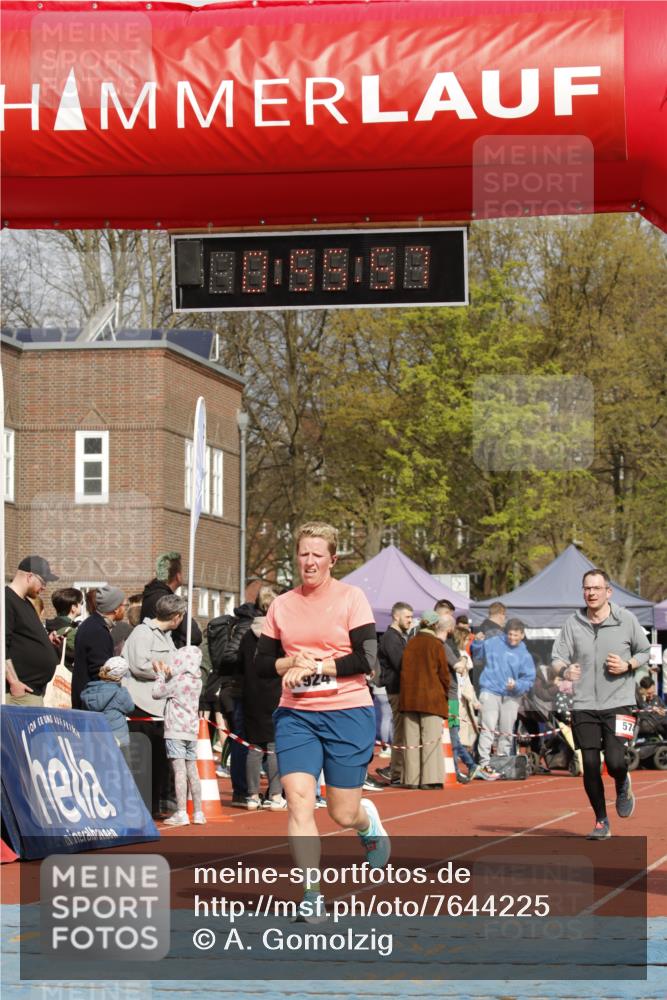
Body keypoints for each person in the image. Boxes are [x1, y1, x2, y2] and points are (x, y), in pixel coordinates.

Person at [255, 521, 389, 923]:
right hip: (297, 715)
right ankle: (311, 894)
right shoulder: (281, 604)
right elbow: (263, 664)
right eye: (303, 554)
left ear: (332, 558)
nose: (309, 562)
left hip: (347, 711)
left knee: (341, 813)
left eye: (317, 555)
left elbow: (366, 659)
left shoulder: (352, 598)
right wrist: (290, 662)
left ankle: (366, 825)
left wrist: (317, 665)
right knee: (297, 799)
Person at [551, 568, 650, 840]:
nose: (591, 593)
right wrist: (564, 671)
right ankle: (601, 820)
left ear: (608, 591)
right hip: (583, 704)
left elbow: (644, 651)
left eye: (596, 588)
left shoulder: (625, 619)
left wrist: (628, 664)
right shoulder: (573, 623)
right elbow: (557, 657)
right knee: (591, 764)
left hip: (619, 702)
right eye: (587, 588)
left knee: (617, 761)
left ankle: (622, 782)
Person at [123, 593, 187, 818]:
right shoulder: (142, 633)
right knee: (142, 761)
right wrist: (165, 672)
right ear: (177, 617)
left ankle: (153, 806)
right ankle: (141, 808)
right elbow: (139, 665)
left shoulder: (166, 636)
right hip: (142, 706)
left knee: (159, 760)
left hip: (160, 708)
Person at [473, 618, 536, 778]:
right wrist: (478, 642)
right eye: (510, 634)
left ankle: (502, 761)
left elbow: (529, 679)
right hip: (490, 690)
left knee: (507, 731)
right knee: (488, 728)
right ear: (505, 633)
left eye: (516, 635)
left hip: (511, 696)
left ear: (522, 635)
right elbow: (477, 655)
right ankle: (484, 764)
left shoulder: (525, 654)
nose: (512, 638)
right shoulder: (493, 642)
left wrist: (516, 685)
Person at [239, 585, 283, 809]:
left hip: (252, 694)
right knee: (275, 746)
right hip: (275, 692)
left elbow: (240, 663)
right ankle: (275, 795)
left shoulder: (247, 636)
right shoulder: (278, 635)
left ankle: (252, 795)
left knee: (254, 747)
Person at [152, 645, 206, 826]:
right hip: (191, 731)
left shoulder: (177, 682)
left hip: (175, 729)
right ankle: (198, 812)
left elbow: (156, 693)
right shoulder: (197, 681)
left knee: (179, 771)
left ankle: (181, 812)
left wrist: (160, 674)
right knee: (193, 772)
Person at [399, 610, 451, 789]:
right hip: (431, 698)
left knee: (411, 741)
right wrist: (445, 693)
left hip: (409, 699)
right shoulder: (436, 645)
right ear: (436, 625)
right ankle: (430, 779)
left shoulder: (410, 644)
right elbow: (444, 675)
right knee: (431, 740)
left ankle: (411, 779)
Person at [4, 556, 61, 705]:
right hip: (19, 694)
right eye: (43, 582)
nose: (44, 587)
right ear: (30, 576)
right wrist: (14, 682)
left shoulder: (26, 602)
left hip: (31, 692)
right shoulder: (6, 600)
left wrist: (46, 641)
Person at [376, 602, 413, 785]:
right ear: (396, 616)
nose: (410, 620)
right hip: (395, 690)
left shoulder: (398, 636)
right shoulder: (391, 638)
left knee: (402, 730)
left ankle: (397, 769)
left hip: (399, 689)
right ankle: (396, 770)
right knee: (400, 731)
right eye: (407, 617)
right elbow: (402, 663)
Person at [71, 585, 126, 709]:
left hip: (87, 699)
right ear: (116, 609)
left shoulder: (92, 624)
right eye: (124, 605)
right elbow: (100, 672)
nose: (125, 609)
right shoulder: (97, 630)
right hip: (91, 703)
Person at [450, 625, 489, 782]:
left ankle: (466, 766)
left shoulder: (463, 655)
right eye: (466, 639)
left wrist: (473, 699)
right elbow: (464, 682)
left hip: (458, 701)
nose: (468, 643)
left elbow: (466, 682)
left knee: (455, 736)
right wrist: (473, 699)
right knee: (454, 737)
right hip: (455, 701)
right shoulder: (458, 656)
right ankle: (468, 765)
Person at [140, 552, 202, 649]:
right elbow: (194, 635)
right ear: (178, 576)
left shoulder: (150, 594)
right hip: (164, 656)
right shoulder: (166, 600)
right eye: (182, 572)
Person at [80, 655, 134, 755]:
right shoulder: (120, 694)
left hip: (95, 740)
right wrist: (123, 689)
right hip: (118, 741)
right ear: (120, 676)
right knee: (123, 769)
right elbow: (130, 707)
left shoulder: (89, 691)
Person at [471, 601, 507, 694]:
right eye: (505, 616)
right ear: (501, 614)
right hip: (493, 682)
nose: (505, 619)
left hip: (480, 677)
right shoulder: (496, 632)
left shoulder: (481, 629)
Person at [46, 587, 83, 671]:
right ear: (73, 607)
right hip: (66, 677)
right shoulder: (70, 631)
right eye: (81, 603)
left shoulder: (51, 627)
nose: (82, 606)